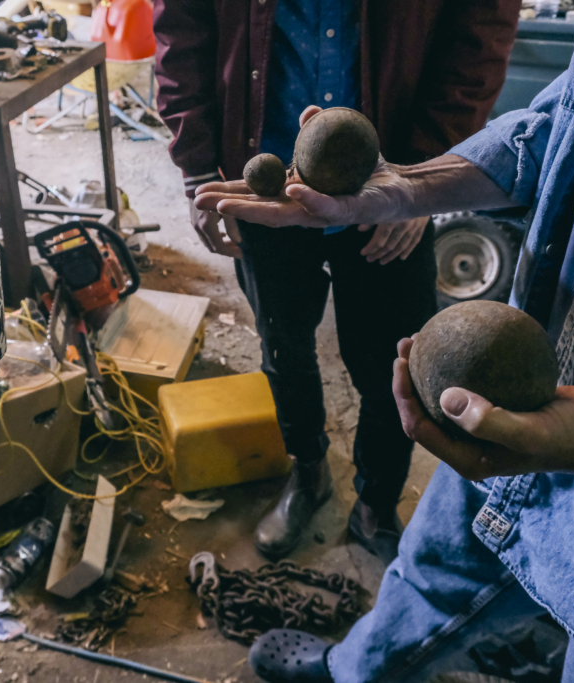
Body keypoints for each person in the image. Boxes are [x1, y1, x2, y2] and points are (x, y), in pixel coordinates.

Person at [196, 0, 574, 679]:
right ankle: (352, 670)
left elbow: (476, 44)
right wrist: (410, 184)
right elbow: (570, 117)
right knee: (437, 563)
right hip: (530, 368)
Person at [153, 0, 519, 561]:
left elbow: (478, 37)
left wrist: (423, 178)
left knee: (394, 363)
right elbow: (181, 34)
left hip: (391, 178)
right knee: (284, 348)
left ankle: (376, 500)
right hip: (264, 184)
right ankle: (308, 472)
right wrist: (198, 166)